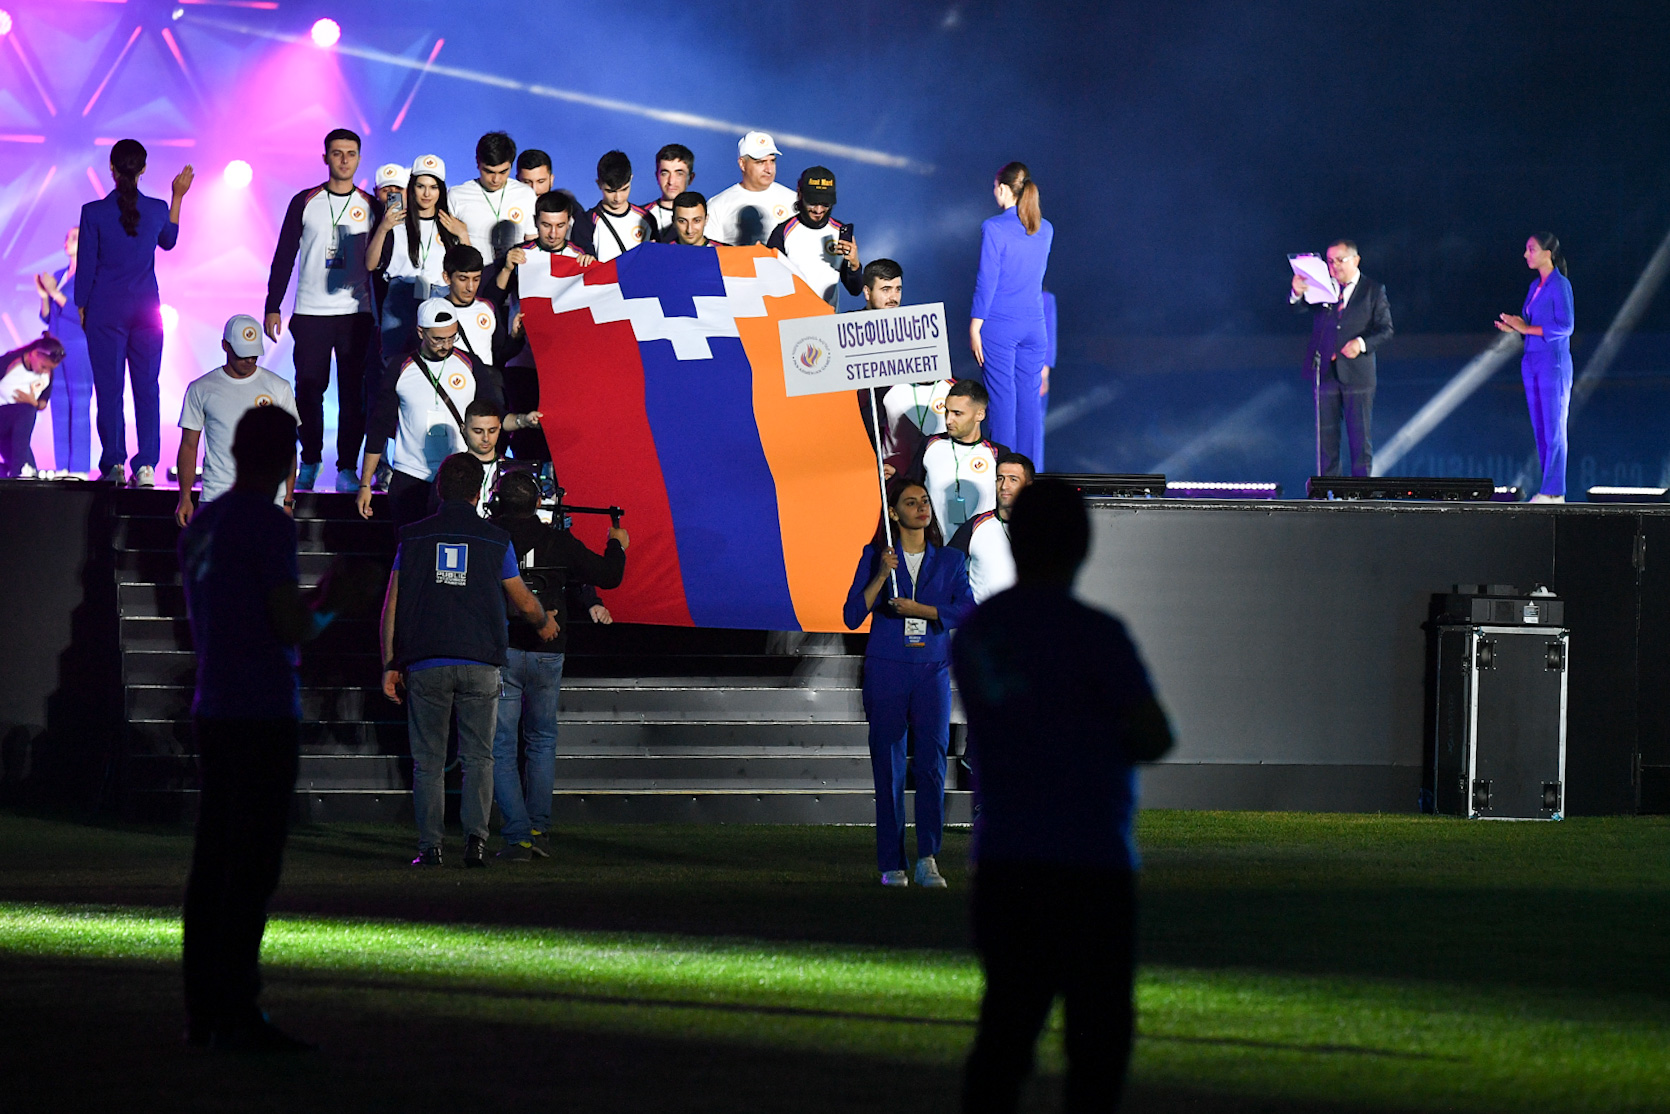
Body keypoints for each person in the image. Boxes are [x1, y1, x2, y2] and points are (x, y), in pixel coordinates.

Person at [953, 478, 1174, 1114]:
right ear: (1082, 544)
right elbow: (1153, 736)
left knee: (1005, 1030)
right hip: (1092, 860)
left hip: (1007, 857)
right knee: (1098, 1039)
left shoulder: (980, 633)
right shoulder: (1097, 634)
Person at [178, 405, 380, 1051]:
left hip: (215, 702)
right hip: (261, 707)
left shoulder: (205, 523)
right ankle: (239, 1009)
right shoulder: (267, 524)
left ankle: (204, 1008)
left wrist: (316, 599)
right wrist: (335, 602)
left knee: (213, 859)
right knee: (253, 864)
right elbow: (288, 626)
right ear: (287, 460)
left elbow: (247, 609)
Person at [379, 452, 557, 867]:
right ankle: (475, 843)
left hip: (426, 660)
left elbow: (392, 606)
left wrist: (390, 662)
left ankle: (430, 847)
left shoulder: (412, 537)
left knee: (428, 762)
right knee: (479, 757)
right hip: (480, 660)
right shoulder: (496, 540)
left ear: (440, 490)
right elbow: (522, 599)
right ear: (479, 493)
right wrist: (543, 621)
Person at [489, 470, 628, 860]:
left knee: (502, 746)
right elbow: (609, 575)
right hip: (548, 651)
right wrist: (617, 543)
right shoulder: (558, 541)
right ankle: (537, 829)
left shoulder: (489, 538)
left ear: (498, 502)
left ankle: (518, 834)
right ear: (538, 503)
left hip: (503, 649)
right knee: (541, 740)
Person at [844, 477, 973, 887]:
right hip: (887, 668)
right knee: (889, 765)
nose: (922, 508)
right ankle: (891, 863)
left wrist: (923, 610)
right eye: (911, 502)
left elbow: (967, 609)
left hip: (931, 669)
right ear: (893, 512)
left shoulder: (950, 560)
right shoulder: (876, 556)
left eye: (925, 501)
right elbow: (851, 615)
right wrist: (881, 574)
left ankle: (928, 858)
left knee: (932, 764)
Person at [264, 128, 381, 494]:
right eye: (337, 153)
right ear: (325, 157)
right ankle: (311, 459)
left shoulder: (371, 205)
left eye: (351, 153)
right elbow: (284, 255)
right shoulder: (305, 201)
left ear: (359, 158)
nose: (344, 160)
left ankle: (347, 467)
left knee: (353, 394)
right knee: (309, 389)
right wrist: (272, 305)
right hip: (310, 311)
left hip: (356, 312)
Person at [75, 138, 193, 487]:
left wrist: (82, 306)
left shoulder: (93, 212)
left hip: (105, 310)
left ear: (111, 168)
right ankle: (146, 467)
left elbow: (86, 266)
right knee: (147, 388)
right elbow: (169, 241)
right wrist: (177, 196)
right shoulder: (157, 209)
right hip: (146, 311)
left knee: (109, 390)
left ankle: (114, 463)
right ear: (143, 169)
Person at [357, 297, 505, 529]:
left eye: (451, 337)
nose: (446, 345)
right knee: (408, 546)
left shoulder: (470, 363)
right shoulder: (400, 367)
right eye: (438, 339)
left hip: (458, 476)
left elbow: (492, 413)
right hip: (410, 476)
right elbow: (378, 427)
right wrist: (365, 484)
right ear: (421, 332)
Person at [176, 315, 299, 527]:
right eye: (243, 354)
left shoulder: (279, 387)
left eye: (254, 354)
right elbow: (189, 445)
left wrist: (287, 500)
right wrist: (185, 497)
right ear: (225, 346)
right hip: (216, 496)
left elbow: (288, 447)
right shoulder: (201, 388)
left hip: (269, 500)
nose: (249, 360)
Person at [970, 162, 1053, 467]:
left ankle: (1004, 472)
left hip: (1001, 325)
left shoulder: (994, 227)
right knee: (1030, 402)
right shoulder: (1045, 229)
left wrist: (975, 326)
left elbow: (987, 280)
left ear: (1003, 189)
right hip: (1035, 327)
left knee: (1002, 399)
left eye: (995, 187)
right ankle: (1029, 476)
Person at [1289, 238, 1394, 477]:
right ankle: (1328, 489)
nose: (1334, 266)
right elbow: (1297, 308)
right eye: (1330, 261)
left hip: (1357, 374)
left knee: (1359, 439)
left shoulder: (1373, 290)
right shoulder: (1323, 288)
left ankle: (1361, 491)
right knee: (1326, 438)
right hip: (1325, 371)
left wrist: (1361, 344)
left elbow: (1386, 329)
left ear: (1355, 260)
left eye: (1340, 260)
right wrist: (1296, 293)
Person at [367, 155, 467, 372]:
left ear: (441, 191)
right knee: (395, 367)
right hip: (400, 297)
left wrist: (463, 235)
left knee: (438, 366)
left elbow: (467, 267)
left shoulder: (449, 225)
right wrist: (383, 228)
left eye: (433, 187)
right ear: (411, 188)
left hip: (439, 296)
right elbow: (370, 264)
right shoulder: (395, 222)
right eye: (421, 186)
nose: (427, 194)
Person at [1495, 233, 1574, 503]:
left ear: (1547, 253)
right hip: (1531, 361)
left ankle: (1554, 491)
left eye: (1531, 249)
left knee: (1554, 428)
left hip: (1553, 362)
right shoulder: (1534, 286)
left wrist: (1526, 328)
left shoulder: (1560, 285)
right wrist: (1515, 327)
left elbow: (1566, 326)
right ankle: (1549, 489)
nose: (1526, 254)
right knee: (1541, 428)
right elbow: (1529, 325)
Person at [900, 378, 1009, 536]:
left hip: (979, 546)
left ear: (979, 414)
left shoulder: (998, 454)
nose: (948, 420)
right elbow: (909, 491)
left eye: (957, 413)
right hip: (936, 546)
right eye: (947, 411)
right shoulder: (930, 445)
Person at [35, 228, 94, 475]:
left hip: (80, 348)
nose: (68, 241)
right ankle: (62, 467)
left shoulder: (90, 275)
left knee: (79, 405)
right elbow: (47, 317)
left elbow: (85, 314)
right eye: (67, 237)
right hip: (56, 352)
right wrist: (44, 296)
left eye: (74, 237)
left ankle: (79, 469)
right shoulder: (59, 275)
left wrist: (55, 293)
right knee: (59, 405)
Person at [765, 166, 863, 308]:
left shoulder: (840, 232)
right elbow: (768, 283)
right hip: (792, 316)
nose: (818, 210)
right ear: (800, 194)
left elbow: (855, 289)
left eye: (825, 204)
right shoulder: (782, 233)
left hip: (828, 318)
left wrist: (854, 265)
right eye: (812, 202)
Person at [948, 452, 1033, 603]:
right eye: (1000, 478)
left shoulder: (1043, 529)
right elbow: (945, 569)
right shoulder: (976, 525)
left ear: (1028, 486)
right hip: (983, 615)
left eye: (1013, 479)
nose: (1004, 486)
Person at [449, 131, 537, 264]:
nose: (496, 179)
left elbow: (533, 246)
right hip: (473, 274)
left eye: (503, 172)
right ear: (478, 162)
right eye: (489, 171)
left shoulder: (526, 194)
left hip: (515, 274)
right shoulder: (456, 195)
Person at [704, 131, 797, 247]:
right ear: (742, 164)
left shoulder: (794, 201)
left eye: (772, 161)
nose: (769, 169)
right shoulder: (718, 206)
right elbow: (710, 252)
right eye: (761, 162)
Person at [0, 336, 65, 477]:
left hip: (14, 430)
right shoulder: (10, 362)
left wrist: (33, 402)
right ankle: (18, 470)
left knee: (30, 475)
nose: (45, 371)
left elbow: (42, 403)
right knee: (27, 410)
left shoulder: (47, 374)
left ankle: (17, 470)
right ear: (34, 354)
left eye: (50, 369)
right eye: (43, 366)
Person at [582, 150, 656, 263]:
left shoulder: (647, 218)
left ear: (631, 179)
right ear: (598, 184)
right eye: (610, 191)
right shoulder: (586, 222)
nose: (618, 198)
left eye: (624, 189)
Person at [644, 143, 694, 239]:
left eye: (679, 174)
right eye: (665, 173)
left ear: (691, 178)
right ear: (657, 176)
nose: (671, 181)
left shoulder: (702, 219)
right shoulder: (641, 215)